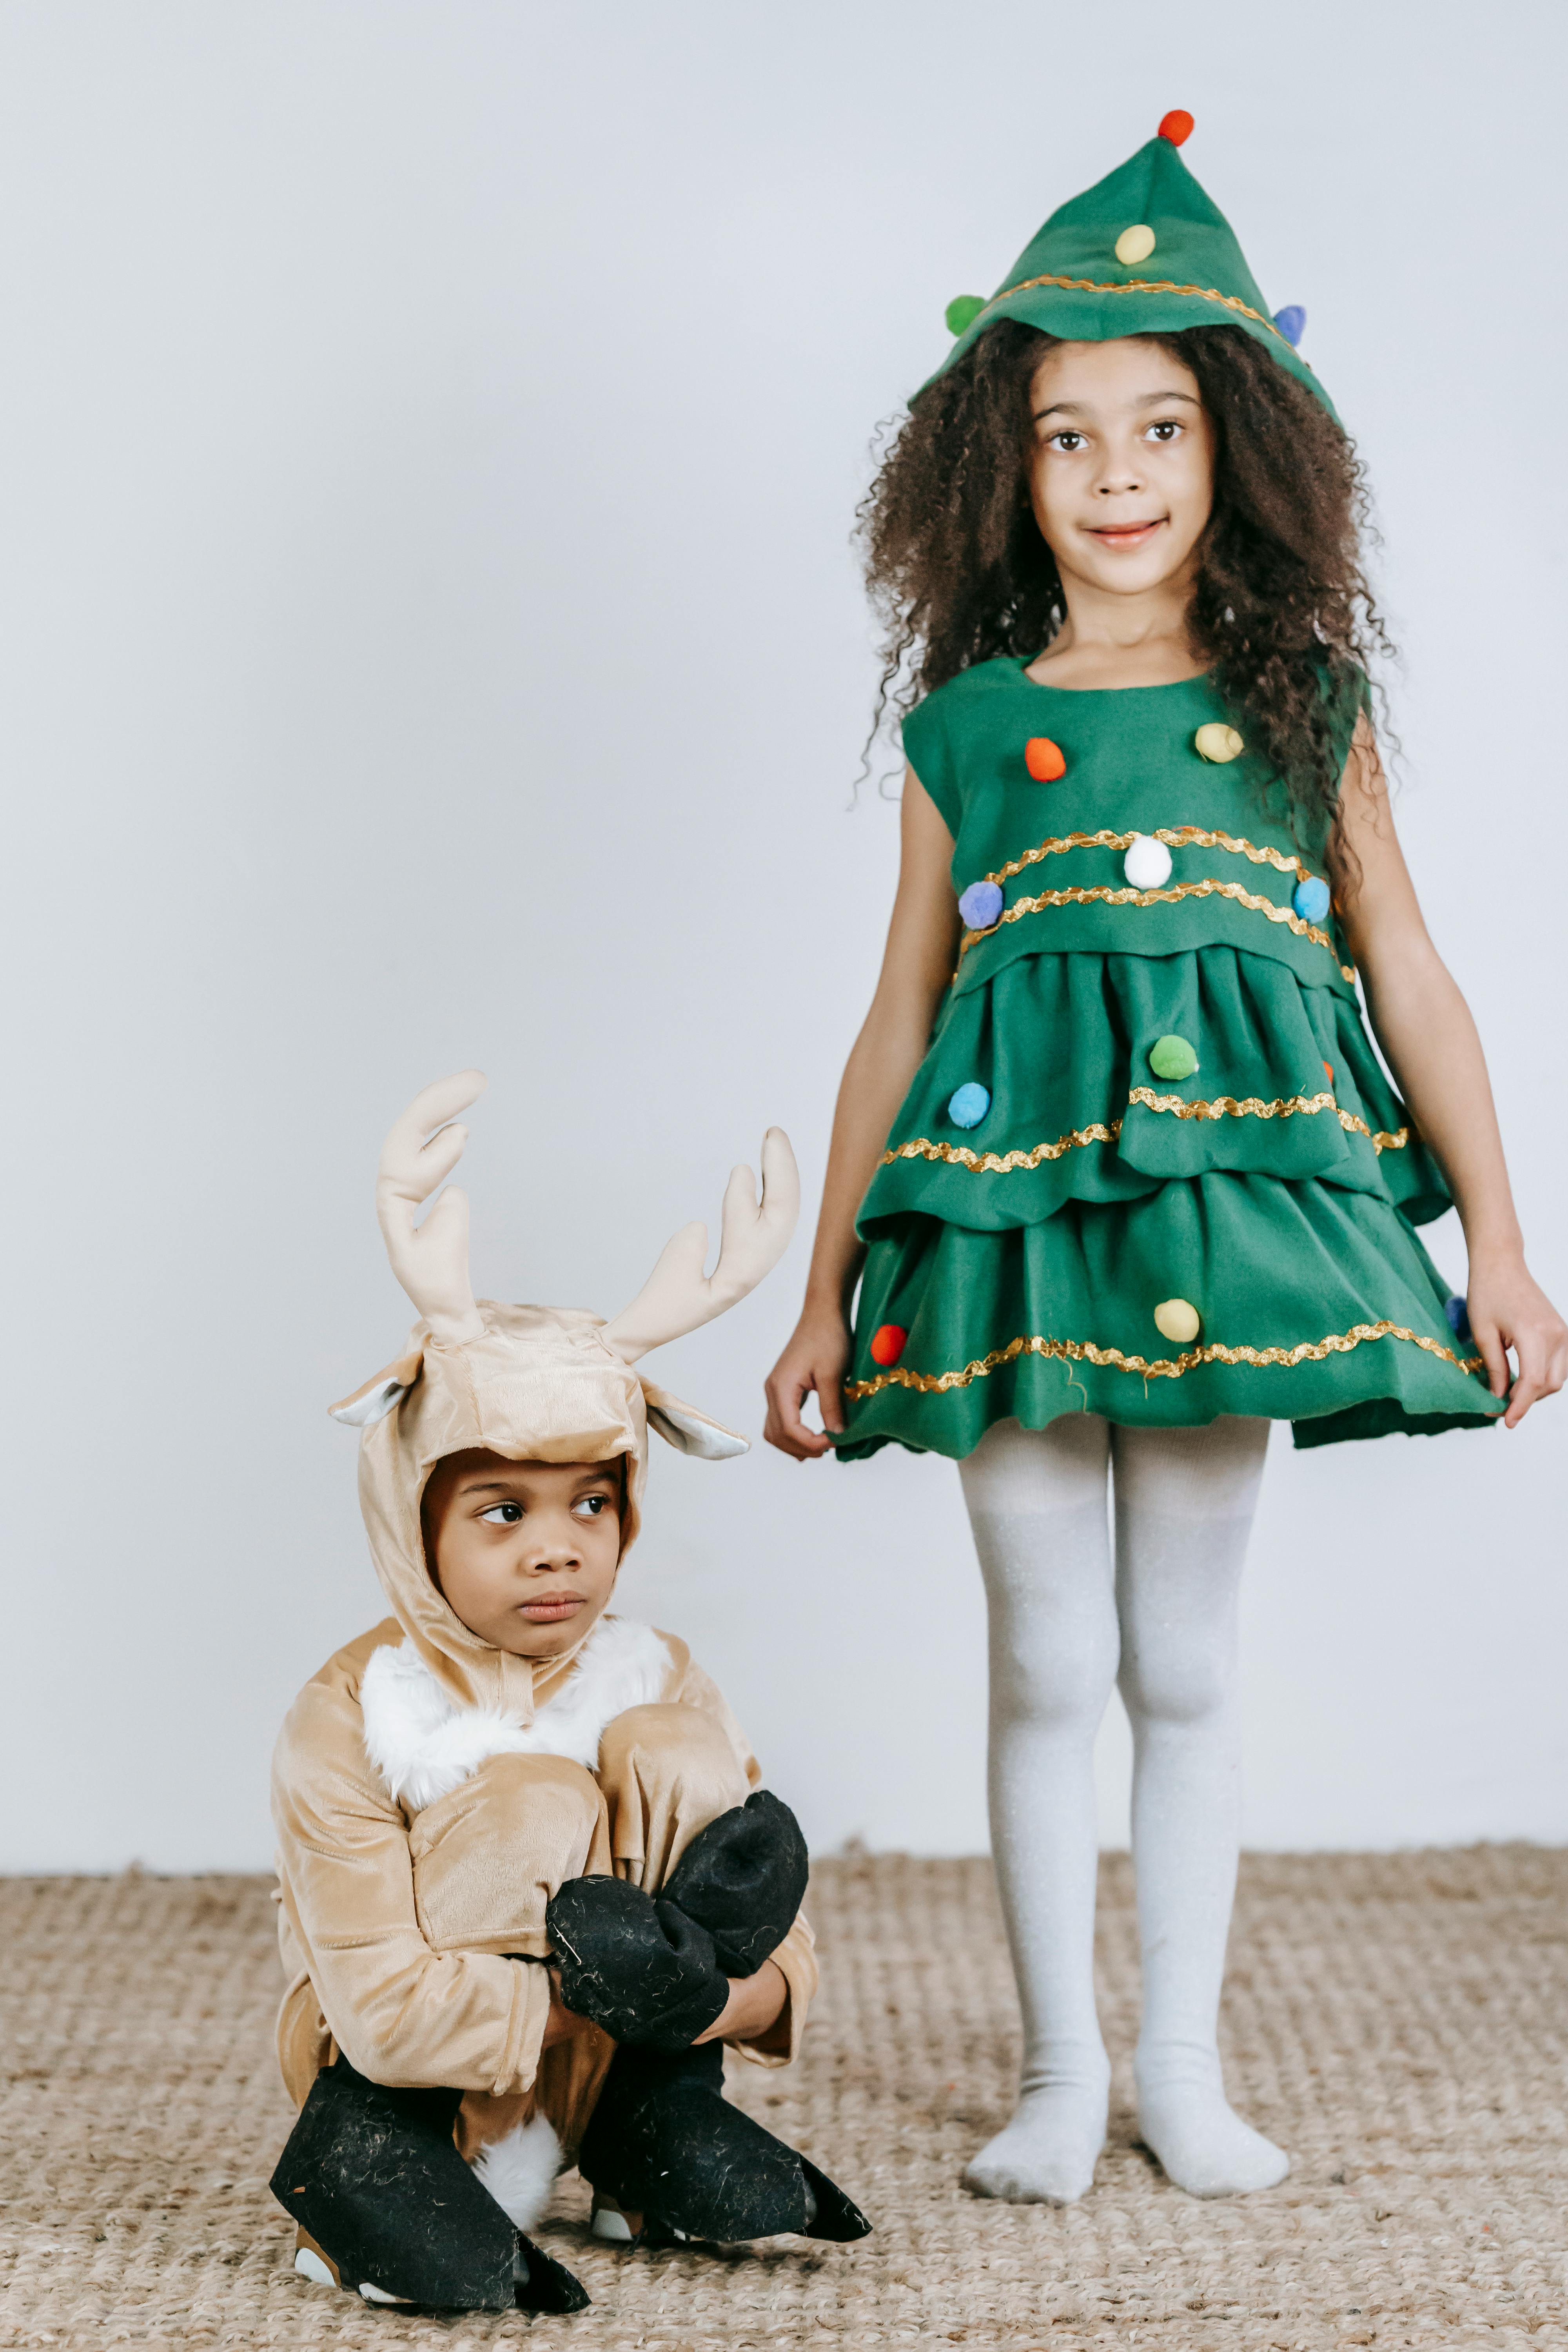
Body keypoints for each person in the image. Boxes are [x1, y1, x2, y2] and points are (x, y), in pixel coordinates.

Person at [764, 115, 1566, 2208]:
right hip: (1009, 1230)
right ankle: (1054, 2072)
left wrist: (1502, 1236)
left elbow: (1409, 960)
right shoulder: (970, 722)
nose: (1116, 476)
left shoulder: (1307, 695)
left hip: (1235, 1207)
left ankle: (1181, 2071)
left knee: (1188, 1663)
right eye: (1065, 435)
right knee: (1043, 1655)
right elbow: (899, 1016)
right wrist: (824, 1287)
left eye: (1161, 426)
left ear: (1239, 450)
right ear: (1001, 469)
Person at [271, 1073, 869, 2313]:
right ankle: (392, 2170)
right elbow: (376, 1997)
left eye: (591, 1504)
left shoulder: (661, 1675)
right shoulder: (355, 1707)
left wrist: (702, 2000)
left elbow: (774, 1915)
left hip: (630, 2050)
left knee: (674, 1750)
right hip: (422, 2068)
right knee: (534, 1793)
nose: (560, 1549)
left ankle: (649, 2131)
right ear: (414, 1515)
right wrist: (583, 1999)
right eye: (503, 1512)